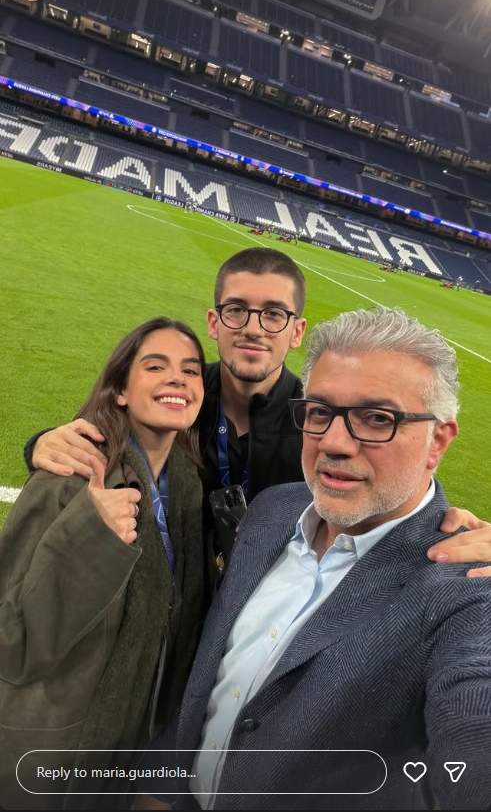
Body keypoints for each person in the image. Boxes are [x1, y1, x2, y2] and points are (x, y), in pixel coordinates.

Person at [144, 307, 491, 811]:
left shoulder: (469, 587)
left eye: (378, 419)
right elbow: (215, 677)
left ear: (437, 440)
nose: (334, 442)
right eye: (320, 412)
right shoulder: (273, 509)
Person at [23, 248, 491, 571]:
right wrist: (43, 444)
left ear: (296, 331)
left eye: (273, 314)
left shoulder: (321, 421)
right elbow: (99, 434)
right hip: (167, 593)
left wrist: (445, 523)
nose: (253, 328)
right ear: (214, 322)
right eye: (236, 310)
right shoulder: (173, 398)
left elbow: (388, 480)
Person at [0, 317, 208, 810]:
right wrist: (88, 538)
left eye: (190, 370)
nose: (177, 379)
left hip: (123, 754)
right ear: (120, 391)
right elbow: (10, 642)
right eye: (155, 366)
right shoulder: (67, 479)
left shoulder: (188, 487)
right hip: (48, 758)